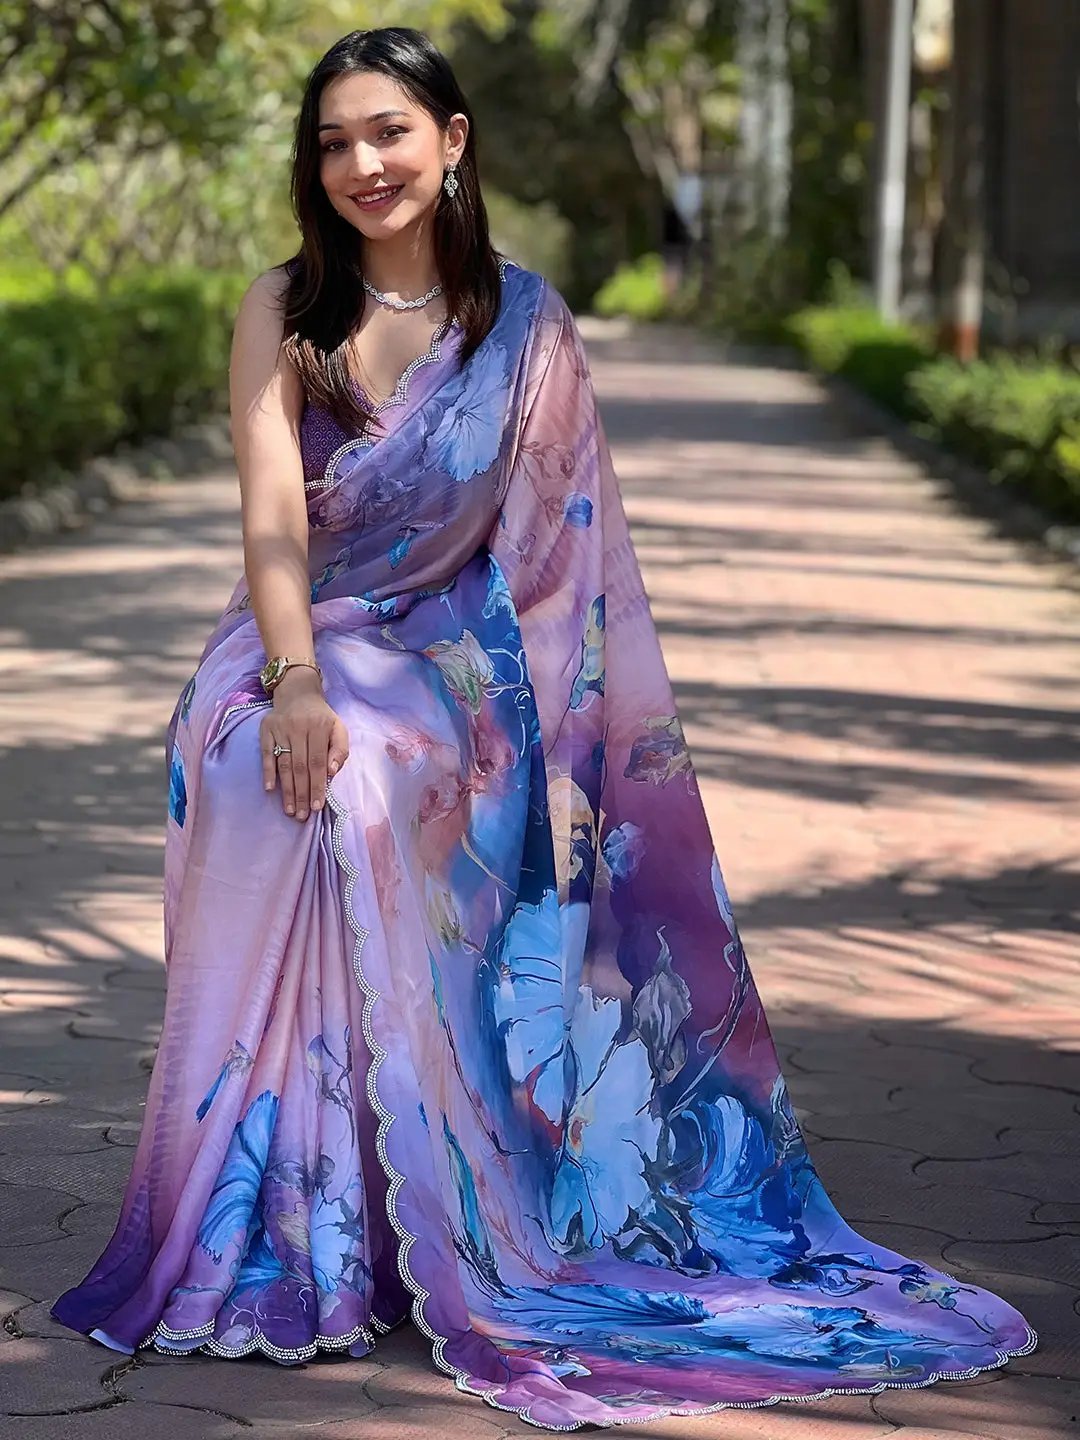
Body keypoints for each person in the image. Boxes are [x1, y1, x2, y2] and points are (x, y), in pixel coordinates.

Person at [50, 25, 1037, 1432]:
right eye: (332, 141)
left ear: (453, 141)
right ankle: (275, 1229)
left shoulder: (524, 326)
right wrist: (293, 683)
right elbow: (271, 522)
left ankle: (397, 1219)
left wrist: (564, 769)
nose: (360, 164)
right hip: (290, 644)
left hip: (457, 666)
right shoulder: (286, 307)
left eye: (387, 131)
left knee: (376, 781)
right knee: (260, 773)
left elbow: (559, 569)